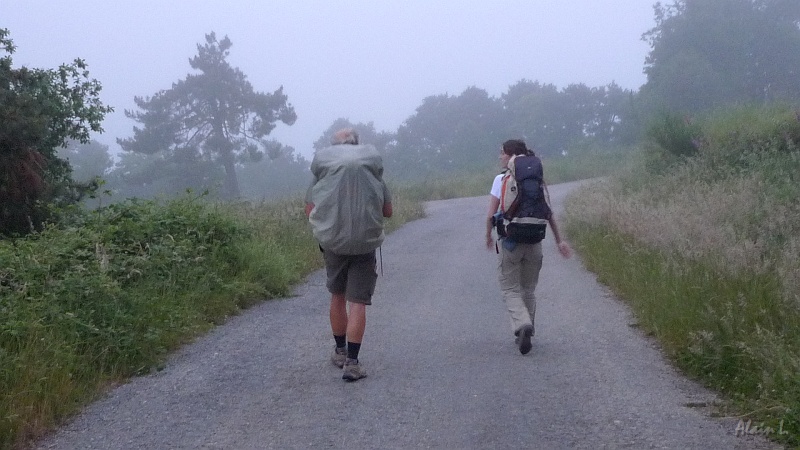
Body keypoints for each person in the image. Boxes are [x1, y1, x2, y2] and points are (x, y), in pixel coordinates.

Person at [305, 128, 393, 381]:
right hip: (365, 243)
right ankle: (353, 363)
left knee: (337, 295)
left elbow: (310, 208)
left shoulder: (323, 173)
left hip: (333, 242)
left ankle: (340, 351)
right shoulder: (372, 172)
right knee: (358, 302)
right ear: (358, 146)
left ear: (333, 148)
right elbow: (387, 210)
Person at [485, 139, 571, 355]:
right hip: (535, 240)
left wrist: (488, 235)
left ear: (510, 155)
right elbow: (548, 211)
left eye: (502, 153)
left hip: (512, 240)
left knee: (510, 289)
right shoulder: (537, 179)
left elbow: (490, 213)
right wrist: (559, 240)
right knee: (528, 289)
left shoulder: (502, 179)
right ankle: (528, 329)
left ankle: (522, 324)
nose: (500, 157)